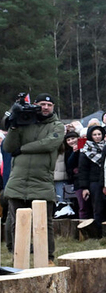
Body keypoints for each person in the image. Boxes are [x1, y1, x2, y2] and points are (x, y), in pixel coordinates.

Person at [2, 93, 64, 264]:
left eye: (49, 105)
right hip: (18, 180)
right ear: (35, 105)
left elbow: (49, 144)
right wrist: (13, 125)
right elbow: (8, 147)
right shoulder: (23, 122)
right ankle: (18, 258)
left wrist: (23, 149)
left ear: (53, 108)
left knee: (45, 223)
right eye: (42, 104)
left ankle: (48, 257)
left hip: (42, 181)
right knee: (17, 223)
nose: (45, 107)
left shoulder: (57, 126)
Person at [76, 124, 106, 233]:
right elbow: (83, 170)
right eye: (94, 134)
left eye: (99, 134)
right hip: (94, 182)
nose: (97, 136)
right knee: (97, 207)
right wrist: (84, 187)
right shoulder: (85, 150)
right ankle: (99, 231)